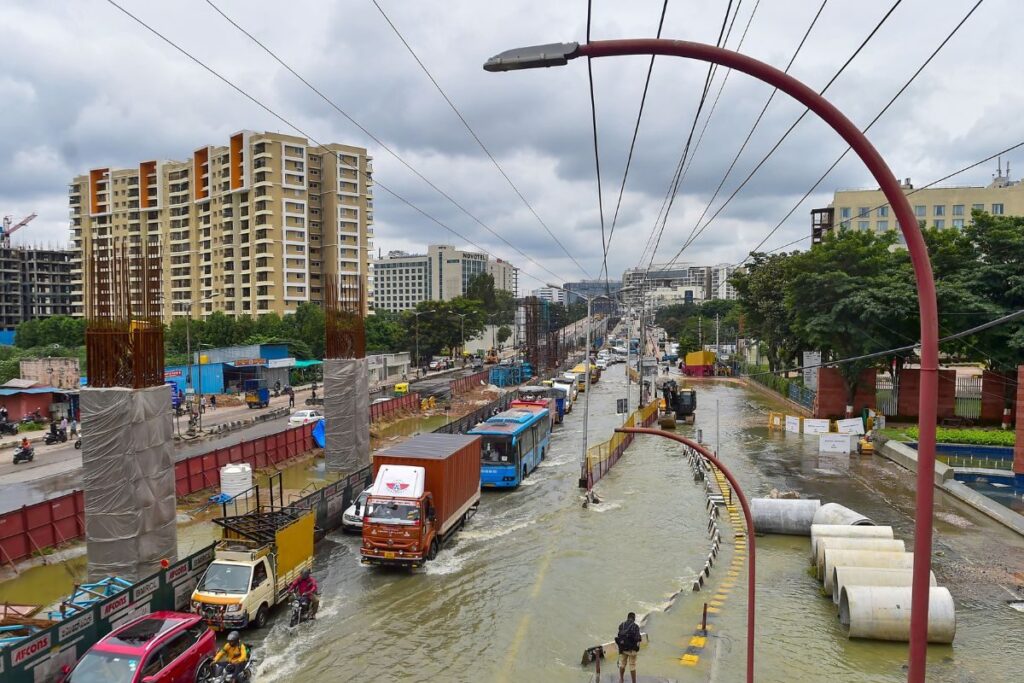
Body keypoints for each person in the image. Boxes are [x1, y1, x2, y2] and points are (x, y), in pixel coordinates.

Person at [614, 612, 642, 683]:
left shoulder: (621, 625)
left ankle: (621, 679)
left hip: (623, 649)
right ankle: (634, 682)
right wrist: (637, 646)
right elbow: (638, 638)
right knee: (632, 665)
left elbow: (619, 636)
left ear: (627, 617)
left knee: (622, 664)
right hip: (632, 649)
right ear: (634, 618)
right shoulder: (635, 626)